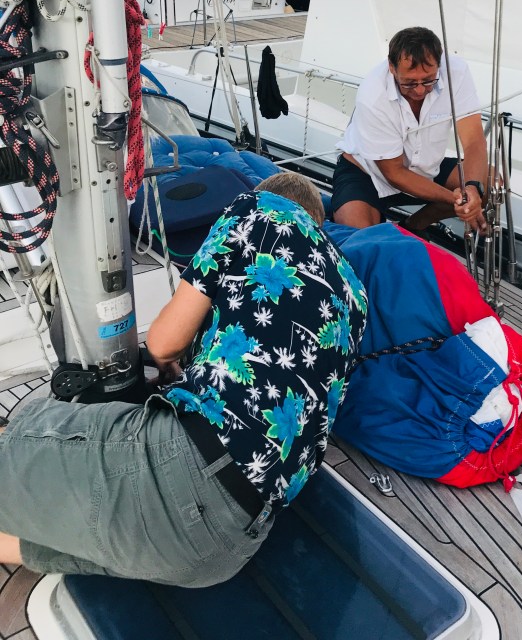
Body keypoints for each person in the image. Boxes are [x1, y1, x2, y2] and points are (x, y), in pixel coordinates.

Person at [0, 172, 367, 586]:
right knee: (48, 543)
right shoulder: (355, 294)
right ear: (318, 222)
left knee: (23, 436)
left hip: (185, 472)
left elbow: (163, 343)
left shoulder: (258, 210)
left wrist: (170, 366)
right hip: (226, 551)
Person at [329, 26, 488, 235]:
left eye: (429, 80)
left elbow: (474, 140)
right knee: (359, 238)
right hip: (369, 172)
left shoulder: (456, 72)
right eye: (409, 83)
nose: (420, 90)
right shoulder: (372, 94)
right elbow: (394, 173)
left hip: (427, 168)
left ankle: (414, 226)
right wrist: (458, 199)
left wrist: (473, 188)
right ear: (391, 68)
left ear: (439, 64)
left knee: (490, 182)